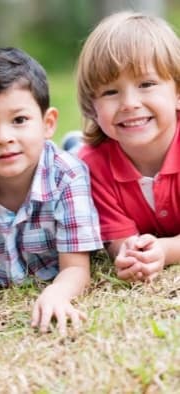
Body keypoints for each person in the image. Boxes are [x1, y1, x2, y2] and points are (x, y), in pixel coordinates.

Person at [0, 47, 103, 336]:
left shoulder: (68, 176)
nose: (4, 138)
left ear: (47, 123)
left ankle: (75, 143)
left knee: (77, 155)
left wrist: (58, 293)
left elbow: (76, 266)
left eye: (19, 120)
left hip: (61, 177)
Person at [77, 11, 180, 282]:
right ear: (92, 106)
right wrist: (132, 255)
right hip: (89, 152)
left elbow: (166, 251)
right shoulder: (91, 166)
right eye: (111, 92)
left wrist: (166, 250)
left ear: (178, 93)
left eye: (146, 84)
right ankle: (73, 141)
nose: (129, 103)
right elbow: (120, 242)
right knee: (75, 156)